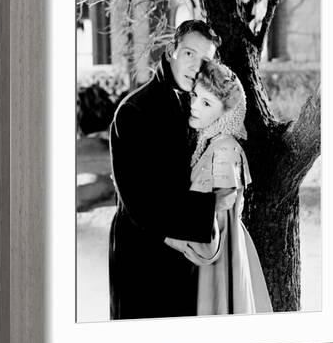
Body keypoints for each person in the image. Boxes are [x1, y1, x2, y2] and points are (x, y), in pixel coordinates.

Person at [109, 20, 223, 320]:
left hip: (183, 255)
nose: (196, 66)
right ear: (171, 51)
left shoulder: (197, 108)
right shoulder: (134, 111)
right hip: (141, 257)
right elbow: (141, 201)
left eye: (205, 60)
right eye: (188, 53)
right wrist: (214, 205)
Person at [165, 60, 273, 315]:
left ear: (226, 113)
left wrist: (168, 237)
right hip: (216, 249)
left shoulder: (223, 149)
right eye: (195, 96)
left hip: (218, 258)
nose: (193, 106)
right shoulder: (210, 143)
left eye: (206, 103)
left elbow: (217, 223)